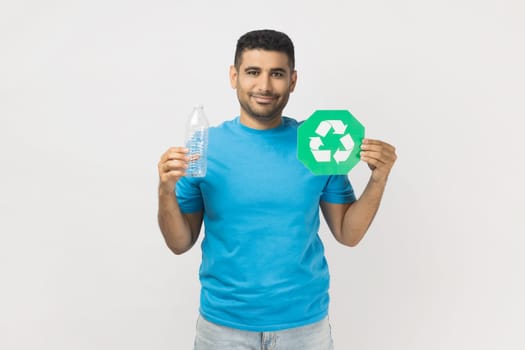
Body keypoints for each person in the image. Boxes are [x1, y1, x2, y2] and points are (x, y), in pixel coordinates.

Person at [157, 29, 397, 350]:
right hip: (223, 327)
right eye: (253, 72)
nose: (265, 86)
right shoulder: (205, 148)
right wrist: (165, 191)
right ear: (234, 76)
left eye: (277, 74)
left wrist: (379, 178)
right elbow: (179, 242)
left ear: (293, 81)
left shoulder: (318, 145)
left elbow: (347, 233)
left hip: (304, 327)